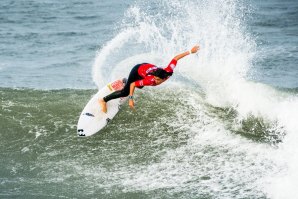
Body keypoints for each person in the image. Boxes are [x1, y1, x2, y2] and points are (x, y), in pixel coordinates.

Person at [99, 45, 200, 113]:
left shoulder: (169, 70)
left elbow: (176, 58)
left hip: (146, 69)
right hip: (137, 70)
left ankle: (126, 80)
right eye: (155, 79)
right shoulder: (150, 80)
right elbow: (133, 85)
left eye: (157, 80)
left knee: (141, 86)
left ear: (163, 77)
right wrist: (130, 99)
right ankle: (104, 100)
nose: (155, 81)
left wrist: (191, 51)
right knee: (126, 92)